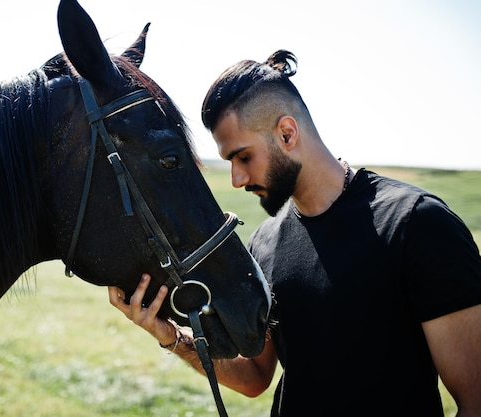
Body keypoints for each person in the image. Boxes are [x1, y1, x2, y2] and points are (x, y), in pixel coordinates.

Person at [108, 50, 481, 416]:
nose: (237, 179)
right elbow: (255, 376)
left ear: (287, 133)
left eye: (243, 157)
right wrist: (171, 336)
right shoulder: (265, 243)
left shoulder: (417, 224)